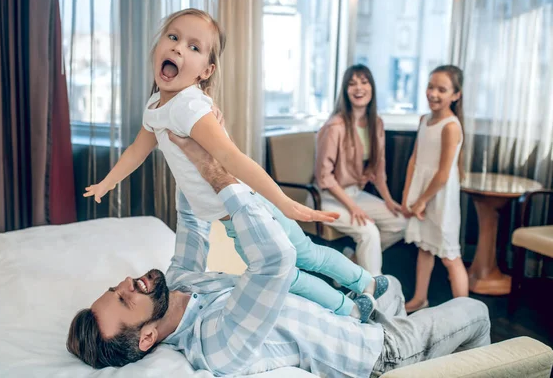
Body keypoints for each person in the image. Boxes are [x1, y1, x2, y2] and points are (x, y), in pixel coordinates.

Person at [67, 133, 491, 376]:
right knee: (476, 311)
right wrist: (217, 174)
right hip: (373, 354)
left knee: (392, 287)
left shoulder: (180, 287)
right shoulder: (213, 343)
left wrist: (183, 149)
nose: (127, 283)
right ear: (145, 338)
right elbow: (275, 262)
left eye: (115, 287)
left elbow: (193, 220)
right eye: (125, 299)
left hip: (352, 317)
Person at [83, 9, 388, 321]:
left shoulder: (189, 108)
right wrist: (108, 181)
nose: (177, 47)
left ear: (206, 70)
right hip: (240, 209)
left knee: (287, 270)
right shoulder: (156, 106)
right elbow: (138, 149)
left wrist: (285, 203)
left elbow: (232, 159)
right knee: (304, 254)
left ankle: (350, 308)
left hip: (244, 209)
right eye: (173, 37)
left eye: (193, 47)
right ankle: (366, 282)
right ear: (158, 45)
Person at [315, 65, 407, 276]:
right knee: (369, 233)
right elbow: (324, 177)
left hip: (356, 194)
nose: (359, 88)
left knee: (401, 222)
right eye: (352, 83)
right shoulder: (334, 126)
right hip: (330, 197)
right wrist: (353, 207)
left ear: (372, 88)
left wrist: (389, 201)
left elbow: (379, 170)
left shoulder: (376, 124)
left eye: (364, 82)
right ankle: (372, 292)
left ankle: (352, 263)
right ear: (345, 91)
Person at [402, 65, 469, 313]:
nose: (433, 94)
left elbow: (442, 174)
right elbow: (414, 161)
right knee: (424, 247)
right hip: (421, 192)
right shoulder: (424, 120)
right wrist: (408, 196)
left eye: (442, 89)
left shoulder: (451, 126)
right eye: (431, 87)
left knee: (450, 256)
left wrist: (422, 200)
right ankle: (420, 298)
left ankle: (465, 313)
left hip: (439, 197)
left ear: (456, 95)